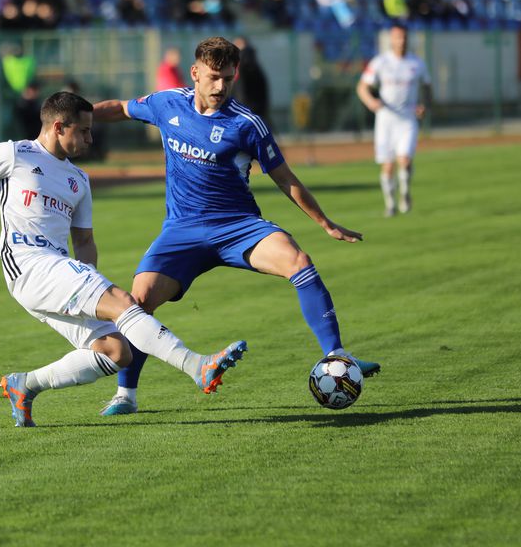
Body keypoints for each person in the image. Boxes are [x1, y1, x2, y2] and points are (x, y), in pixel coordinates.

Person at [0, 92, 248, 427]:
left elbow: (84, 240)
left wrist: (89, 282)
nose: (91, 139)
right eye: (85, 131)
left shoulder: (78, 180)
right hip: (28, 264)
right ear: (58, 127)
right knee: (124, 302)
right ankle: (197, 365)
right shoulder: (14, 153)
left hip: (58, 271)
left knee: (116, 351)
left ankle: (24, 385)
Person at [92, 37, 377, 417]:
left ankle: (337, 356)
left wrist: (324, 223)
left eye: (228, 78)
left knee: (298, 261)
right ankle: (126, 395)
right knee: (139, 301)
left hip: (238, 226)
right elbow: (121, 109)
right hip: (182, 230)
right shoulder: (167, 103)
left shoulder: (248, 125)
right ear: (195, 73)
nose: (221, 87)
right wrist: (79, 115)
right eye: (213, 77)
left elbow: (285, 178)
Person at [356, 24, 432, 217]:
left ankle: (405, 193)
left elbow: (427, 87)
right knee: (388, 165)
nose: (402, 41)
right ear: (391, 39)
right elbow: (362, 87)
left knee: (405, 160)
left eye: (404, 37)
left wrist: (425, 105)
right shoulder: (381, 62)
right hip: (386, 120)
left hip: (407, 118)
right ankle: (390, 204)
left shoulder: (417, 63)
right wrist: (371, 102)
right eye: (397, 37)